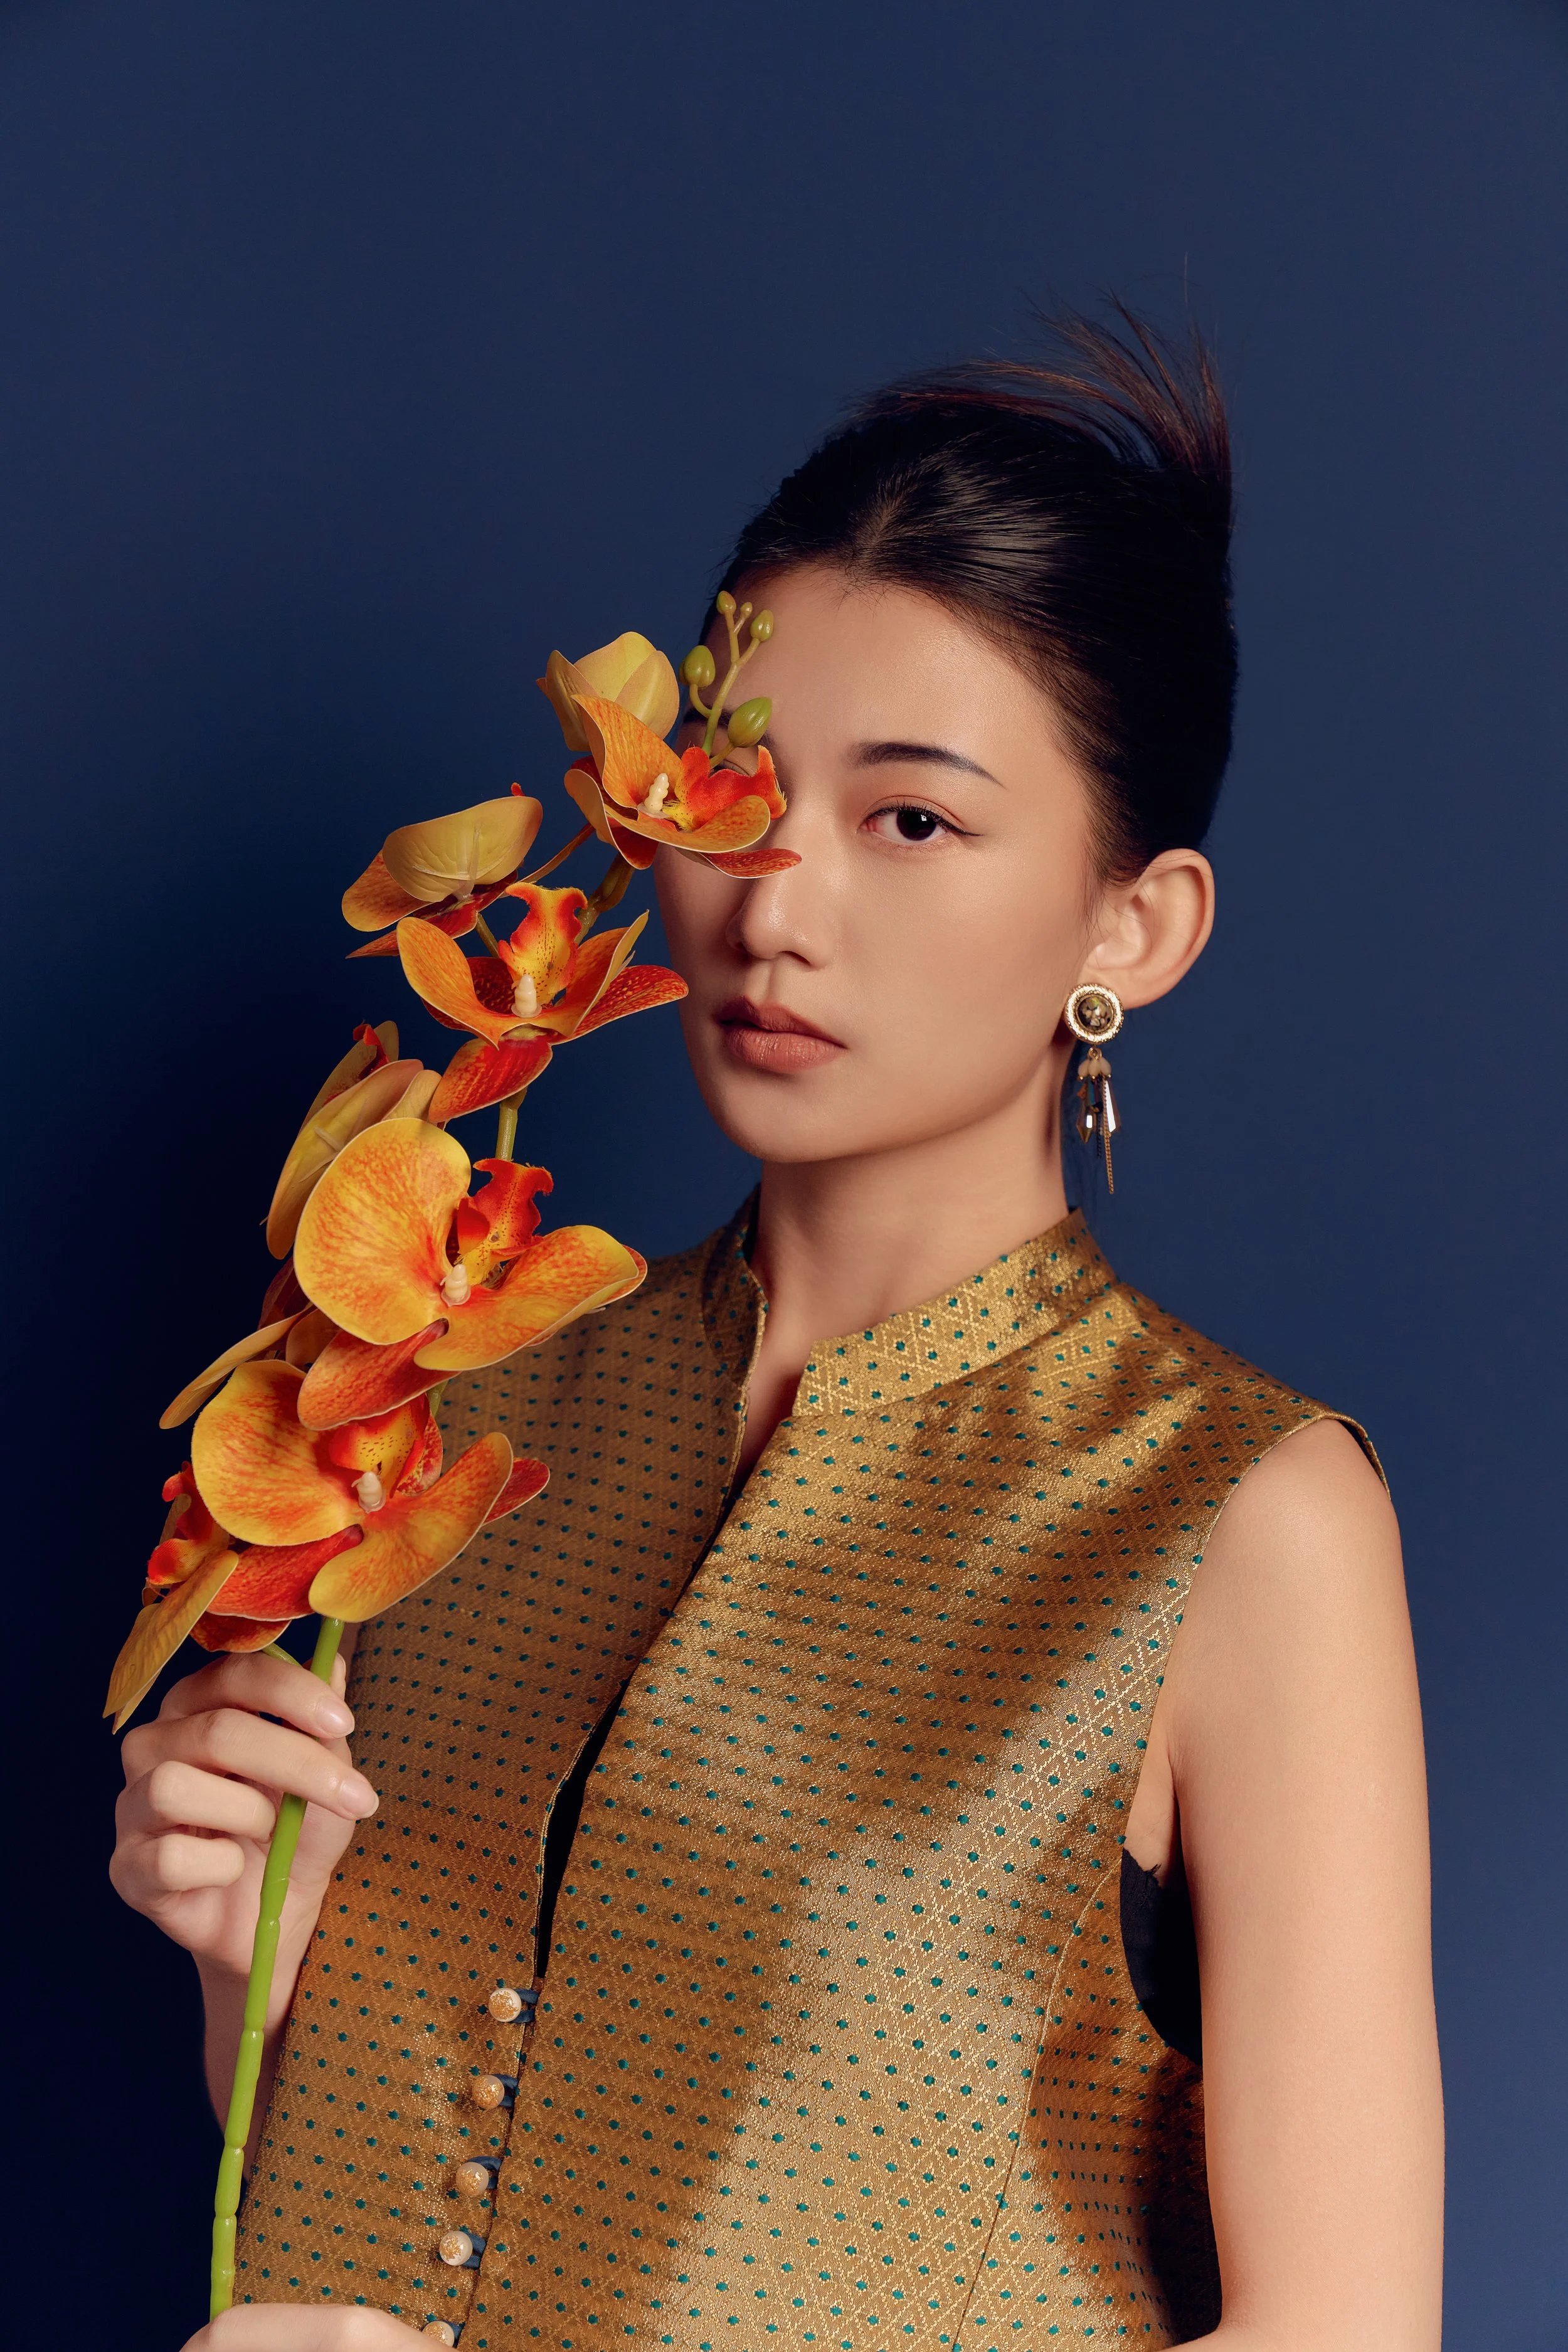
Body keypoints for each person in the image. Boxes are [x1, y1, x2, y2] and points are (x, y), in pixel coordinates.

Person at [113, 310, 1443, 2350]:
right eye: (734, 793)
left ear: (1130, 927)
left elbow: (1339, 2329)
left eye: (908, 818)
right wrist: (248, 1961)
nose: (774, 896)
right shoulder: (448, 1387)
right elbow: (394, 2181)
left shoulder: (1236, 1511)